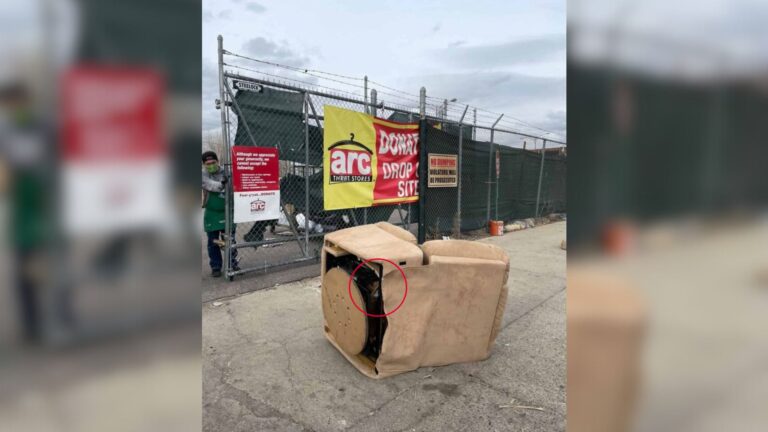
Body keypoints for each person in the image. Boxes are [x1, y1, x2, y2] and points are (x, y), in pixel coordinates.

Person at [202, 151, 238, 277]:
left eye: (213, 162)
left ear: (217, 161)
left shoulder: (226, 172)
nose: (211, 165)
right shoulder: (202, 175)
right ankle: (216, 266)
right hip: (212, 212)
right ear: (204, 165)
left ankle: (232, 264)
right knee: (213, 242)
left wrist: (230, 181)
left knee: (230, 240)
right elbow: (210, 185)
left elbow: (234, 186)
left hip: (227, 211)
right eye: (208, 164)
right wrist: (222, 183)